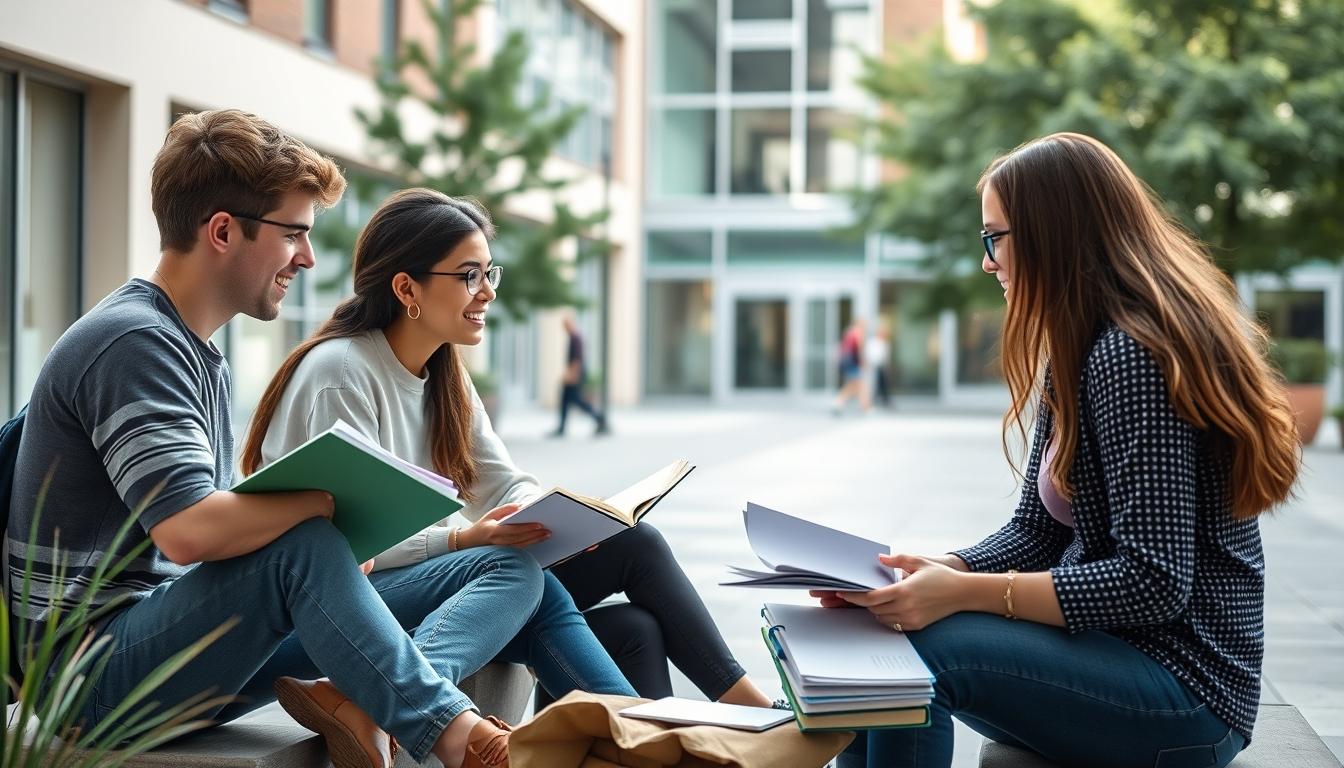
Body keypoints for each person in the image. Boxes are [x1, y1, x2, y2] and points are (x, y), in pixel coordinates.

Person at [5, 109, 623, 768]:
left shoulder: (193, 350)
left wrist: (329, 544)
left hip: (176, 643)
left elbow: (203, 543)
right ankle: (461, 738)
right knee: (307, 539)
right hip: (94, 678)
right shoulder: (135, 343)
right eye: (294, 233)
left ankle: (382, 704)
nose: (305, 256)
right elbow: (186, 530)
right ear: (222, 231)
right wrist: (323, 505)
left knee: (506, 565)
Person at [821, 133, 1300, 768]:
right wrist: (936, 569)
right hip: (1119, 656)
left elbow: (1154, 583)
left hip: (1188, 692)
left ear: (1052, 233)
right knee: (881, 639)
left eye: (995, 237)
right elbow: (1035, 531)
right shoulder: (1077, 346)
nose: (988, 262)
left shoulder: (1134, 356)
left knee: (920, 655)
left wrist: (962, 596)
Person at [241, 188, 777, 714]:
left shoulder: (445, 376)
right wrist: (462, 537)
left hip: (431, 584)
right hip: (344, 604)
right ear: (408, 288)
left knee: (630, 595)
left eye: (489, 273)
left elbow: (501, 479)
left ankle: (697, 733)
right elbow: (347, 544)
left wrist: (556, 516)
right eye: (469, 275)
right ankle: (751, 716)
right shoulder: (343, 372)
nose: (487, 292)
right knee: (544, 568)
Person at [551, 313, 609, 436]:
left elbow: (577, 359)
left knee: (577, 400)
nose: (564, 328)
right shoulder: (574, 337)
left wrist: (571, 376)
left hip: (576, 374)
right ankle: (562, 428)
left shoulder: (575, 338)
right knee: (566, 400)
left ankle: (599, 417)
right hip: (575, 373)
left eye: (565, 325)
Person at [832, 317, 870, 415]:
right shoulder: (857, 333)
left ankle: (865, 407)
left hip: (848, 363)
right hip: (853, 364)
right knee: (857, 385)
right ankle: (838, 403)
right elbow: (859, 350)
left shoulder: (849, 333)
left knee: (857, 386)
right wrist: (864, 362)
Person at [865, 325, 892, 409]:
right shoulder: (872, 342)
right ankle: (871, 402)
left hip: (881, 367)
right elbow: (869, 355)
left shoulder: (885, 344)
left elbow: (885, 358)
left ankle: (885, 401)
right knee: (873, 385)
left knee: (883, 384)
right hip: (873, 366)